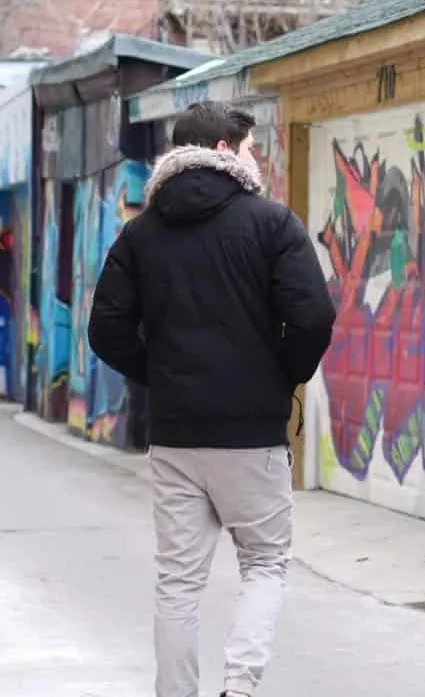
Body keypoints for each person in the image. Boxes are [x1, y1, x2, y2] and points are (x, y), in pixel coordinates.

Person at [88, 100, 337, 697]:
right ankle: (240, 687)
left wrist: (162, 374)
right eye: (250, 147)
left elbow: (106, 330)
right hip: (251, 434)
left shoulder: (140, 233)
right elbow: (315, 317)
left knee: (178, 581)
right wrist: (282, 377)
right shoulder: (272, 223)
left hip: (176, 435)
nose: (257, 158)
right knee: (266, 563)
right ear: (225, 150)